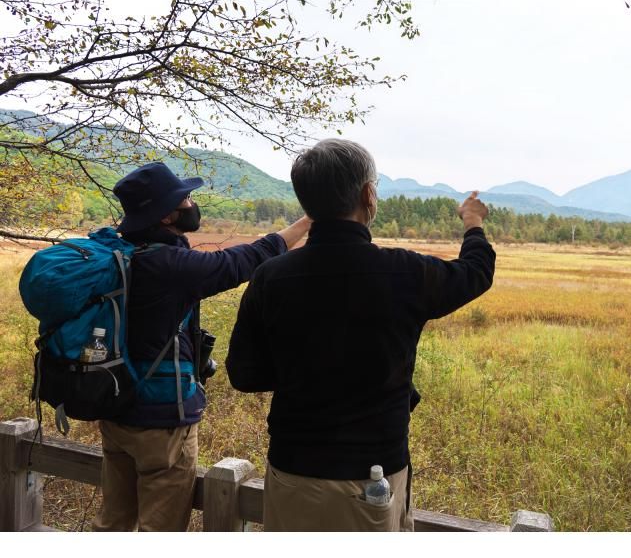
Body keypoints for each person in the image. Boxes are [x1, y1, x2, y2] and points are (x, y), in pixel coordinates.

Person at [226, 139, 495, 531]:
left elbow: (244, 374)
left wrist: (302, 368)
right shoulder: (405, 273)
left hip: (292, 471)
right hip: (372, 478)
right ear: (368, 195)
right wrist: (473, 223)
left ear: (307, 201)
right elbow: (475, 273)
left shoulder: (272, 276)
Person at [92, 161, 310, 532]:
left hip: (115, 409)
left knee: (112, 524)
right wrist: (308, 222)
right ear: (165, 217)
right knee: (158, 532)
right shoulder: (167, 264)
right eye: (185, 199)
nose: (192, 204)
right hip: (161, 422)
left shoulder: (119, 253)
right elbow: (242, 262)